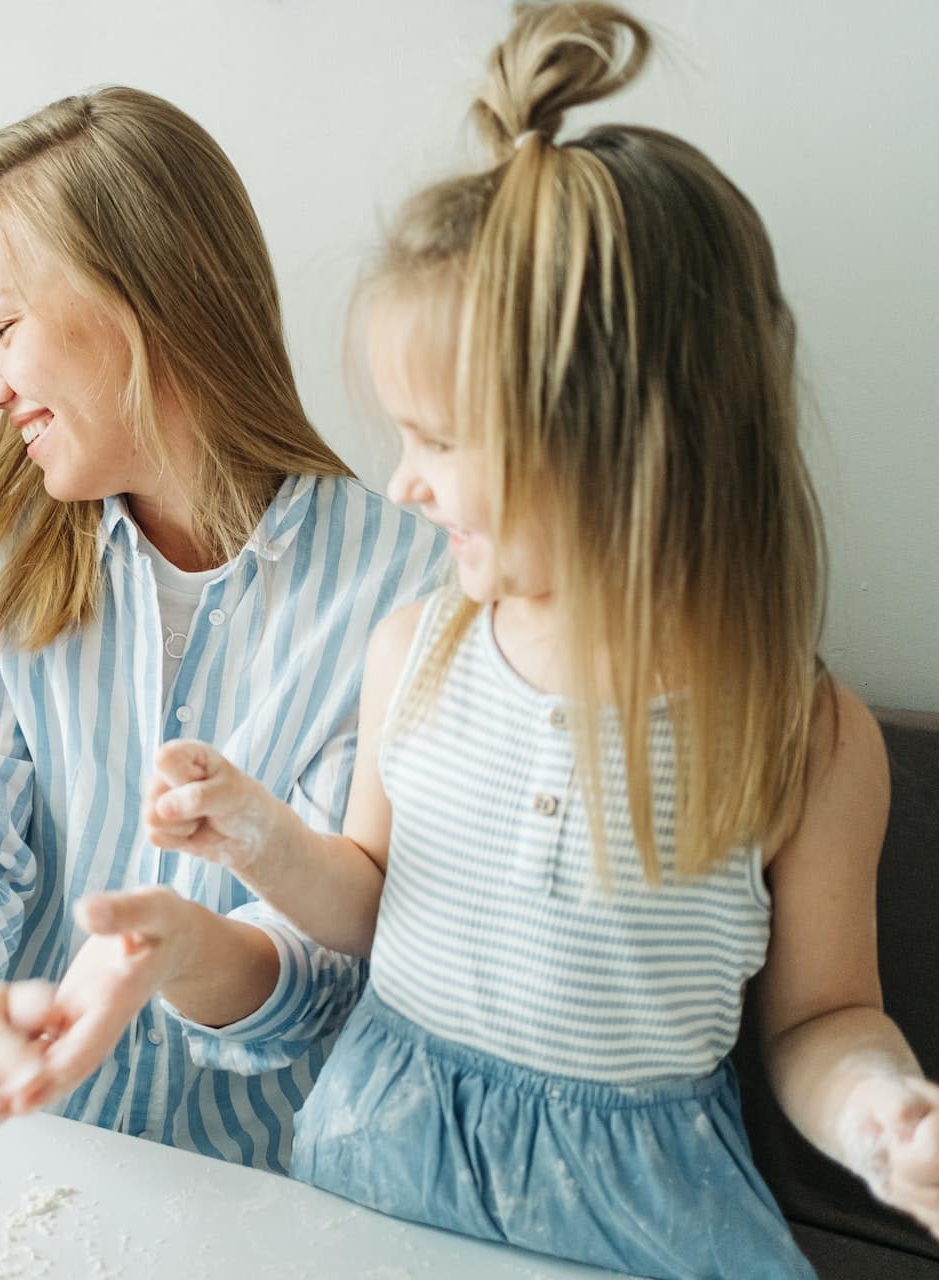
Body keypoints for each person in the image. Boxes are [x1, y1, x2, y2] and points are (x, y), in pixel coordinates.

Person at [54, 7, 939, 1275]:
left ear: (622, 446)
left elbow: (825, 1013)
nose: (402, 485)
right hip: (379, 1166)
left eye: (439, 440)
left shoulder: (798, 732)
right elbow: (365, 899)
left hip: (642, 1220)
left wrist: (880, 1110)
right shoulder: (416, 648)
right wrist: (260, 837)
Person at [0, 88, 444, 1170]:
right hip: (23, 1153)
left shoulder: (410, 583)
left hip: (271, 1189)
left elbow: (338, 957)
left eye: (0, 328)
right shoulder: (2, 569)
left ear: (155, 296)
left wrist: (181, 953)